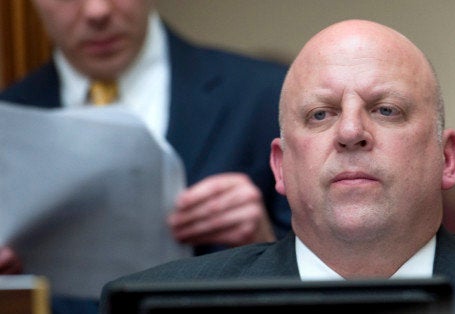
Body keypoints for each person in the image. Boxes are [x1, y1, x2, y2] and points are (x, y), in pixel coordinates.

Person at [100, 19, 455, 313]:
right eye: (321, 114)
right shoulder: (154, 311)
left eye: (386, 110)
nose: (351, 132)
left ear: (447, 159)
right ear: (280, 168)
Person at [0, 0, 291, 312]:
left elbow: (326, 273)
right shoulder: (9, 119)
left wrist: (265, 248)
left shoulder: (265, 94)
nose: (97, 11)